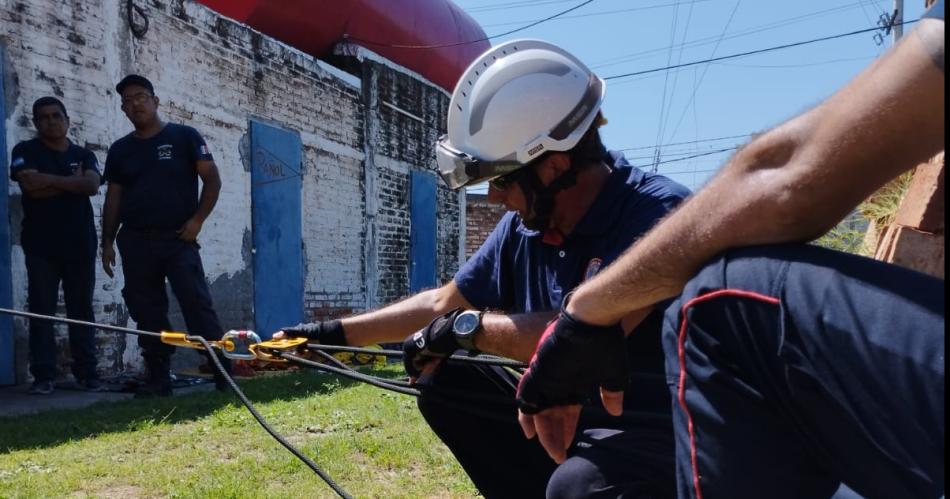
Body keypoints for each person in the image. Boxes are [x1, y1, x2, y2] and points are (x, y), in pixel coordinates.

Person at [516, 3, 945, 499]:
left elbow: (786, 177)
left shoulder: (649, 202)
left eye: (504, 183)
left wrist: (584, 313)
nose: (501, 199)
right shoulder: (521, 232)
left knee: (719, 303)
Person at [277, 40, 691, 498]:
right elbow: (441, 304)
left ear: (554, 167)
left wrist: (465, 328)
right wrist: (325, 336)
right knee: (446, 378)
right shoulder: (527, 225)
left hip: (654, 431)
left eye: (502, 179)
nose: (494, 197)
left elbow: (578, 337)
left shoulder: (659, 216)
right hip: (559, 408)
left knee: (577, 487)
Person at [101, 74, 230, 398]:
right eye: (127, 101)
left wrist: (198, 220)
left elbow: (212, 180)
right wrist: (107, 241)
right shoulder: (120, 150)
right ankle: (158, 378)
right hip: (135, 240)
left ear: (155, 101)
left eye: (140, 96)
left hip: (178, 239)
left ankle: (222, 373)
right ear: (123, 109)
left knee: (196, 304)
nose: (134, 104)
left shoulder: (184, 137)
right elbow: (113, 198)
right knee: (147, 310)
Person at [9, 96, 103, 395]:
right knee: (42, 311)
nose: (51, 121)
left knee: (81, 310)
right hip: (41, 246)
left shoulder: (84, 154)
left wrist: (48, 180)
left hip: (80, 244)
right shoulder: (25, 151)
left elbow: (91, 186)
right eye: (43, 117)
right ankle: (44, 376)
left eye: (56, 116)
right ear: (36, 123)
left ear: (67, 120)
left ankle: (87, 374)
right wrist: (71, 183)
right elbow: (30, 189)